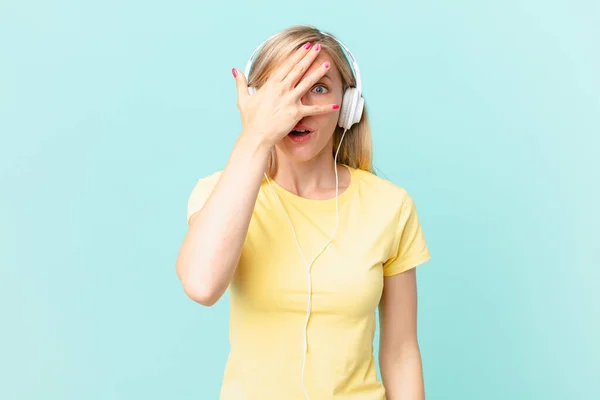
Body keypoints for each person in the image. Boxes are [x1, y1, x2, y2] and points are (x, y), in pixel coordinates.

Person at [176, 25, 432, 400]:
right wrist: (257, 136)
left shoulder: (390, 206)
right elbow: (201, 285)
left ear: (348, 106)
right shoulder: (218, 193)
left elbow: (401, 351)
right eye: (286, 88)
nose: (300, 107)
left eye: (319, 87)